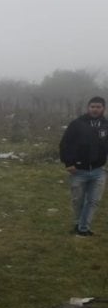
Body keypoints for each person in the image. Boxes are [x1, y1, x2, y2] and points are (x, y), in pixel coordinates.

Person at [59, 96, 108, 236]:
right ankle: (78, 224)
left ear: (103, 108)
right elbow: (65, 144)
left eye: (98, 107)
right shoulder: (77, 124)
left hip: (99, 171)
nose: (95, 109)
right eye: (92, 106)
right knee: (78, 201)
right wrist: (68, 163)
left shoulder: (106, 125)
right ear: (88, 108)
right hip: (78, 171)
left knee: (93, 201)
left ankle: (83, 229)